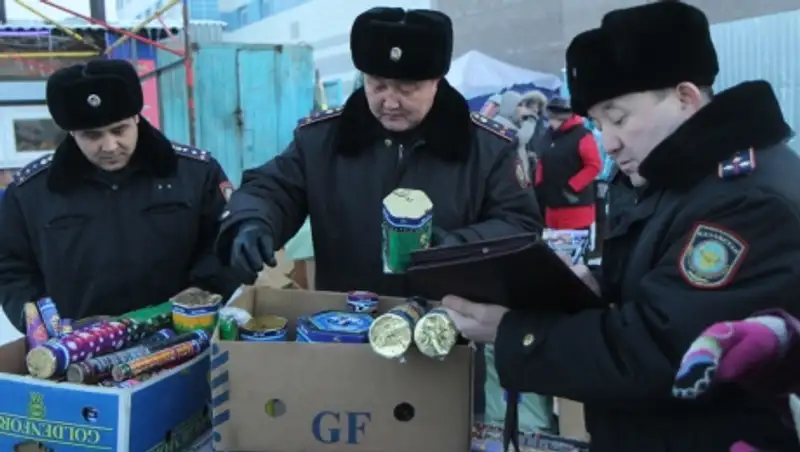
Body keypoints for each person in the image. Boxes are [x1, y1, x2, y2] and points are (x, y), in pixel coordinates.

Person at [440, 2, 800, 451]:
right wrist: (586, 287)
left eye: (619, 118)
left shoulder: (745, 200)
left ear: (685, 98)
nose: (608, 142)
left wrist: (514, 332)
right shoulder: (676, 177)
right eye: (597, 123)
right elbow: (654, 285)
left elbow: (665, 351)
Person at [216, 6, 541, 297]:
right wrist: (251, 222)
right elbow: (273, 188)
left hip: (448, 324)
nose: (390, 101)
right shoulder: (322, 140)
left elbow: (520, 225)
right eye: (378, 85)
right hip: (348, 325)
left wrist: (454, 248)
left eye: (406, 89)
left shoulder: (487, 147)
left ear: (436, 82)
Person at [0, 59, 239, 331]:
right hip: (79, 346)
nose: (110, 146)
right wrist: (39, 323)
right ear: (71, 133)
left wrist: (201, 293)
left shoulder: (196, 174)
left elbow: (226, 241)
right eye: (92, 135)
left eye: (119, 130)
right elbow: (11, 270)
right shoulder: (30, 193)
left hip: (184, 336)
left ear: (137, 117)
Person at [533, 96, 601, 232]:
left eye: (553, 118)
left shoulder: (582, 135)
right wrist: (538, 184)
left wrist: (572, 186)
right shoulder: (549, 134)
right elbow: (542, 159)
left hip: (575, 208)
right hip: (551, 207)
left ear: (563, 118)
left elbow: (594, 166)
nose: (550, 122)